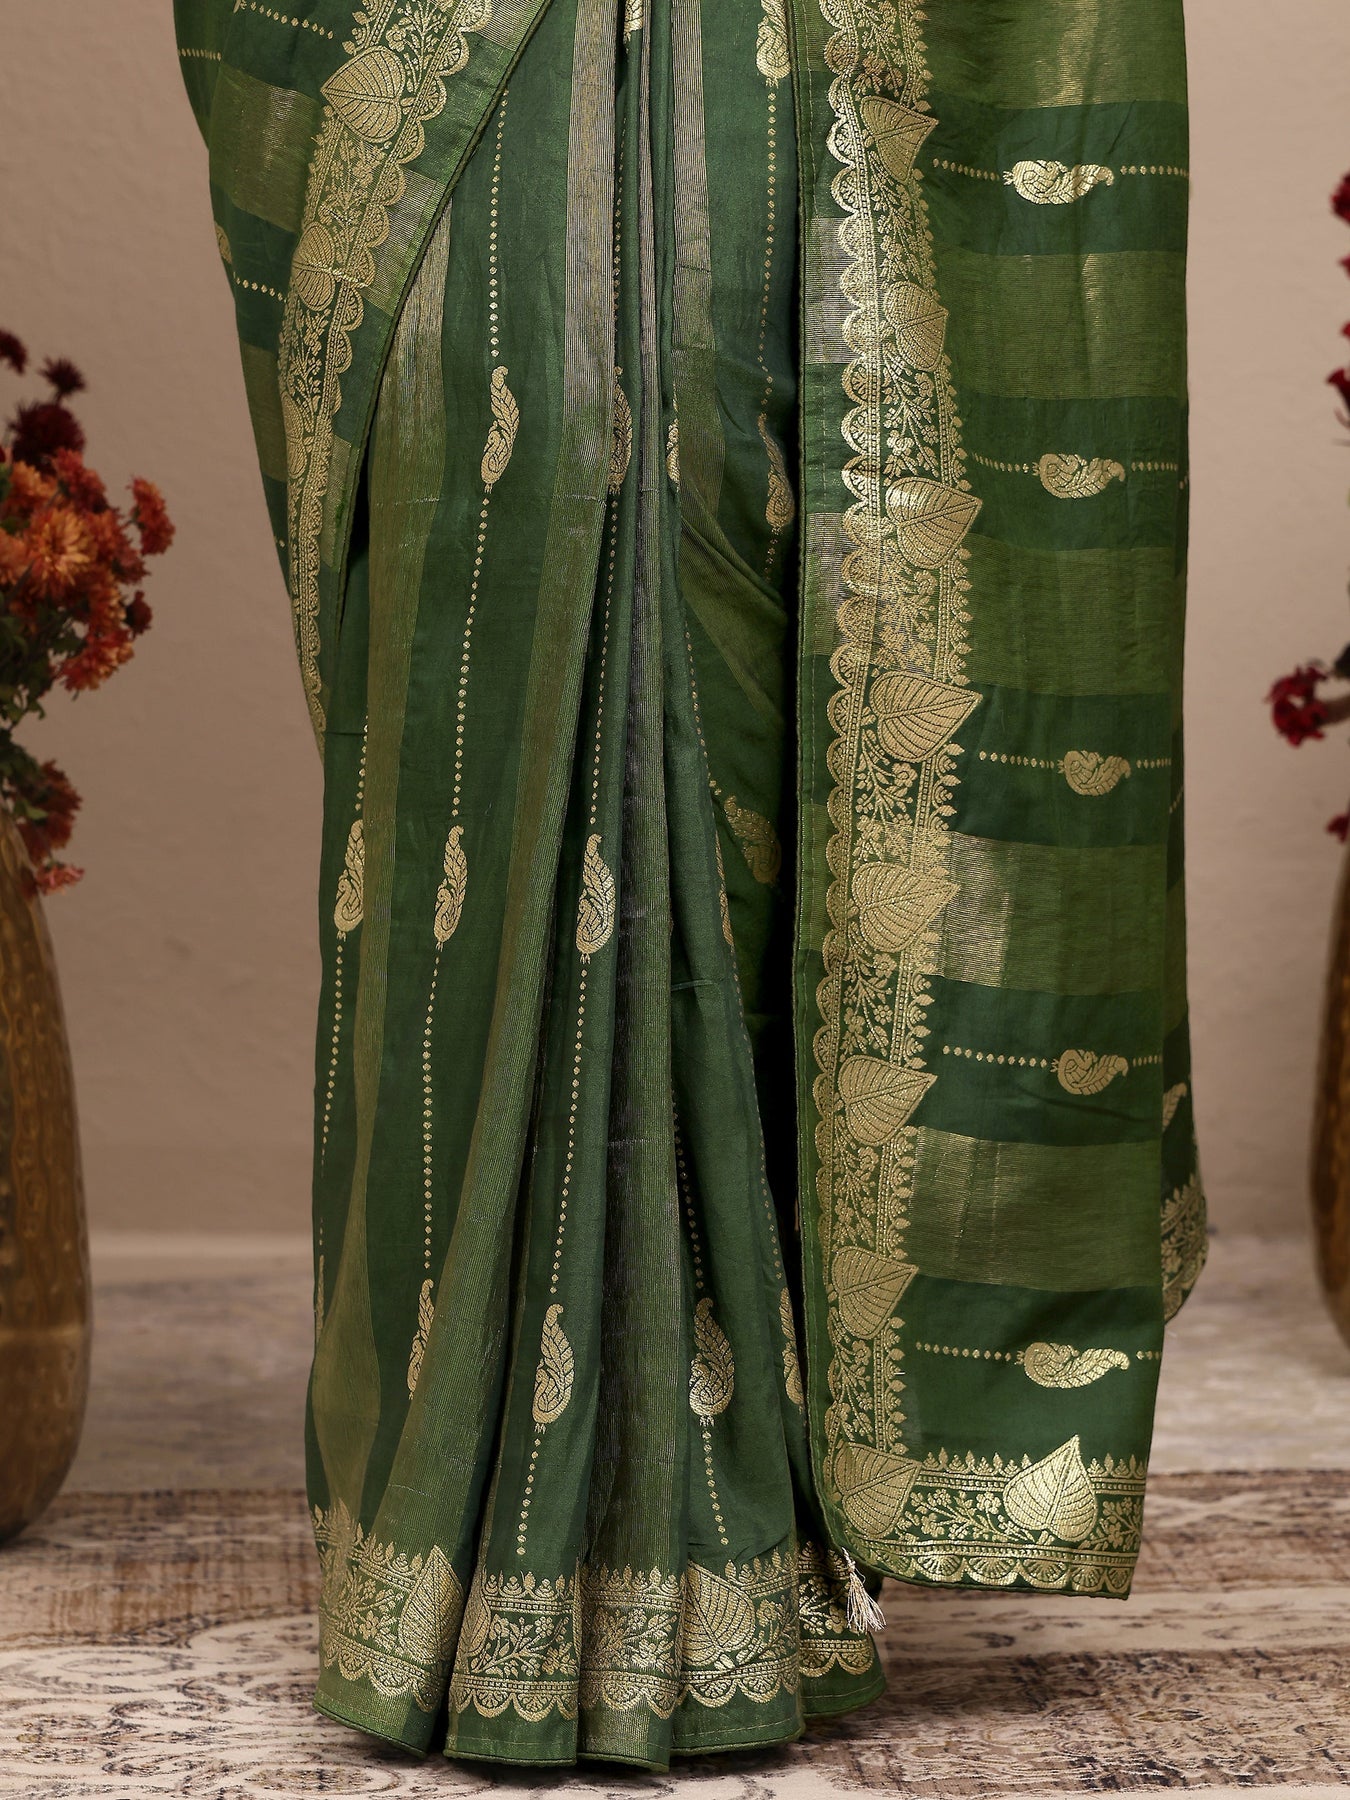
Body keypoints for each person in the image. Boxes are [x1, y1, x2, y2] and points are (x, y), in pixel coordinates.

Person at [174, 0, 1204, 1769]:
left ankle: (746, 1543)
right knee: (490, 740)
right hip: (480, 120)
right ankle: (465, 1545)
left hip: (780, 117)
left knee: (746, 774)